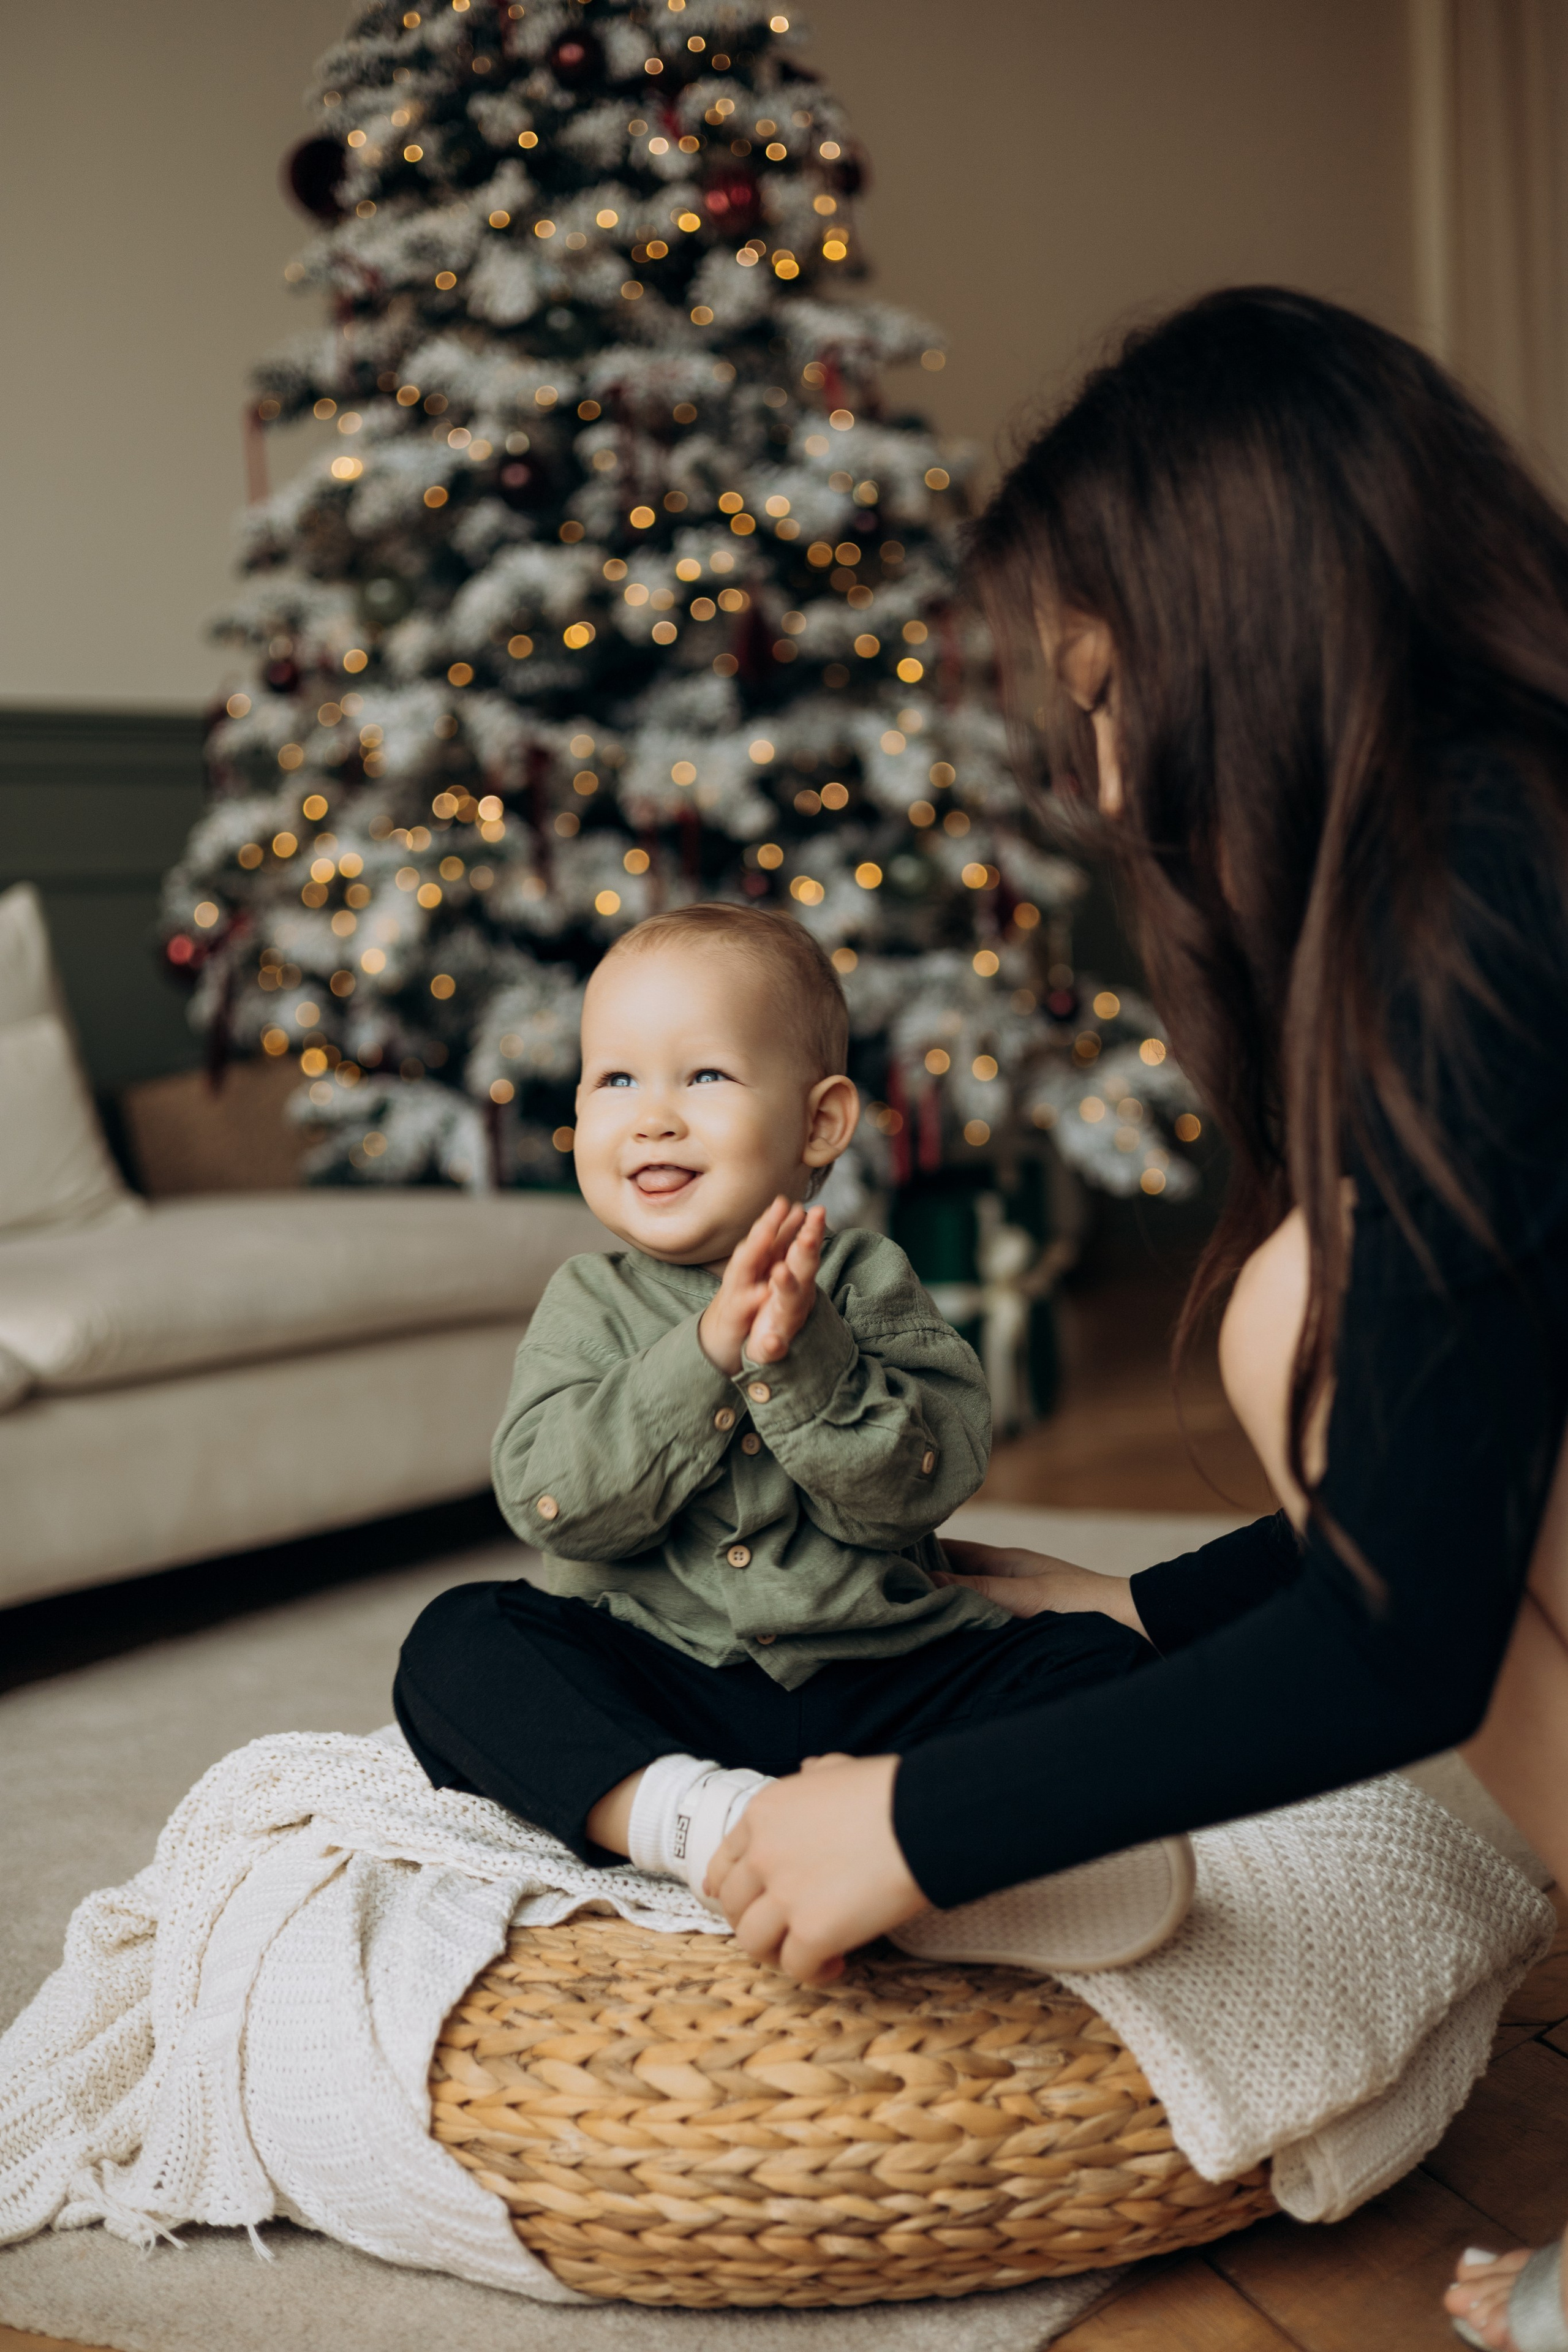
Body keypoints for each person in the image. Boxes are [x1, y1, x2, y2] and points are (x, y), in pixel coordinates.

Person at [696, 290, 1568, 2352]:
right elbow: (1482, 1433)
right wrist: (1144, 1617)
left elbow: (1412, 1630)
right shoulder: (1514, 824)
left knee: (1292, 1312)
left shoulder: (1478, 899)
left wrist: (910, 1823)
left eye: (1109, 696)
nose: (1101, 780)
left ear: (1251, 627)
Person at [394, 901, 1194, 1973]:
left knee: (1103, 1663)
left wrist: (801, 1355)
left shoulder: (867, 1281)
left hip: (883, 1679)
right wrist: (704, 1357)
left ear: (820, 1125)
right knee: (458, 1646)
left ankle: (924, 1840)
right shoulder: (585, 1302)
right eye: (615, 1079)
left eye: (704, 1077)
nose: (653, 1118)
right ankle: (703, 1824)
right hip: (665, 1680)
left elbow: (916, 1489)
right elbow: (554, 1503)